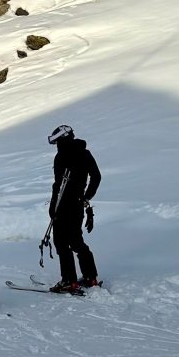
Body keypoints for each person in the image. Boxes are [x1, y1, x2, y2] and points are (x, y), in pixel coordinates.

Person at [47, 125, 102, 292]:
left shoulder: (61, 156)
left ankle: (69, 280)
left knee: (61, 243)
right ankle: (90, 277)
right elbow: (96, 176)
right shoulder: (84, 153)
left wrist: (53, 208)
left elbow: (58, 186)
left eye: (57, 141)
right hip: (77, 203)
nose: (56, 144)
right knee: (77, 241)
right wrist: (86, 196)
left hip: (63, 205)